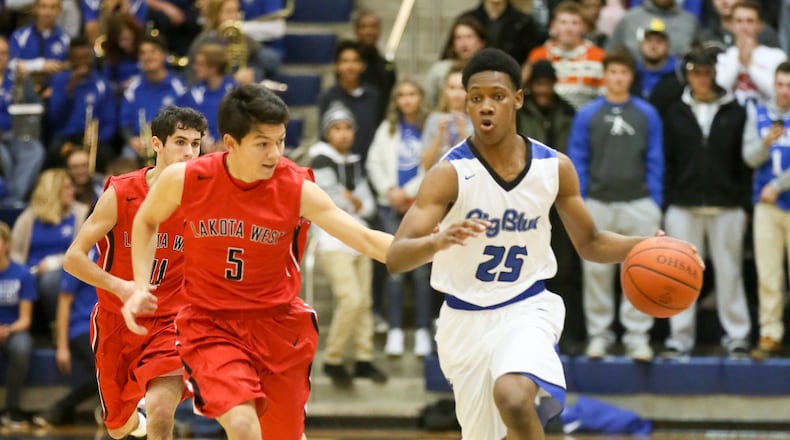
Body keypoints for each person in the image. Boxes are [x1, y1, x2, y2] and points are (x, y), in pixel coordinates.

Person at [385, 47, 699, 440]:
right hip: (463, 319)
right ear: (466, 102)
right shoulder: (448, 174)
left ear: (518, 98)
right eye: (476, 97)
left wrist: (649, 246)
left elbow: (592, 242)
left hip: (526, 305)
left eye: (497, 97)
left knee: (514, 396)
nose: (486, 107)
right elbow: (396, 258)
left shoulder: (554, 168)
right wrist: (438, 242)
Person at [123, 84, 392, 440]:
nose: (275, 153)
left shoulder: (296, 187)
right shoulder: (187, 179)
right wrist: (140, 285)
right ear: (231, 143)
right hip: (211, 325)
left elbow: (364, 238)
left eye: (280, 141)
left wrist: (431, 247)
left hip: (277, 326)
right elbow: (145, 219)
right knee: (244, 426)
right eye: (262, 143)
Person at [62, 106, 207, 440]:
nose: (189, 152)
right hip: (117, 321)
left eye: (196, 144)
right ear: (156, 144)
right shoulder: (122, 192)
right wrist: (121, 287)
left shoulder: (204, 197)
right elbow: (73, 259)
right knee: (117, 428)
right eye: (180, 142)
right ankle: (131, 422)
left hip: (171, 321)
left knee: (160, 411)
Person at [568, 49, 664, 362]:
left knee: (640, 272)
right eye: (613, 72)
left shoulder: (647, 113)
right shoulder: (588, 114)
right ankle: (599, 336)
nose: (618, 78)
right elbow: (577, 159)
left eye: (624, 72)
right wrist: (580, 200)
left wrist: (654, 201)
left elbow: (656, 158)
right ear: (605, 76)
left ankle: (637, 338)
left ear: (630, 77)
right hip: (598, 202)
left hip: (638, 203)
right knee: (596, 273)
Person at [662, 48, 752, 358]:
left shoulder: (736, 111)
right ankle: (680, 337)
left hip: (726, 206)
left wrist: (743, 205)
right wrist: (669, 201)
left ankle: (737, 334)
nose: (701, 78)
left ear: (714, 73)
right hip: (683, 206)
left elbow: (743, 166)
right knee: (679, 274)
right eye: (695, 72)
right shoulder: (675, 112)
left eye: (706, 72)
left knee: (730, 272)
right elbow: (668, 162)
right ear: (688, 74)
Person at [309, 102, 387, 387]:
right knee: (351, 299)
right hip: (332, 240)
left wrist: (352, 201)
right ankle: (333, 359)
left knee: (365, 303)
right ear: (327, 132)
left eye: (347, 128)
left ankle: (364, 359)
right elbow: (332, 202)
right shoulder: (319, 159)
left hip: (360, 238)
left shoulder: (354, 161)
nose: (343, 134)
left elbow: (368, 206)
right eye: (337, 128)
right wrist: (352, 201)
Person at [743, 61, 790, 359]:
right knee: (768, 275)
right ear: (773, 86)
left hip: (778, 196)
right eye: (781, 85)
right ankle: (770, 333)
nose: (785, 91)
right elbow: (748, 159)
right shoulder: (759, 115)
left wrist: (780, 185)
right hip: (766, 207)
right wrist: (764, 144)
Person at [32, 247, 100, 428]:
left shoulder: (126, 250)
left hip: (110, 328)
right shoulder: (83, 255)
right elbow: (64, 300)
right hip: (82, 327)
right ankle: (60, 409)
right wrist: (62, 346)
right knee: (106, 368)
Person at [0, 221, 36, 430]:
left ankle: (11, 410)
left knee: (22, 347)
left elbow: (26, 319)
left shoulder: (22, 274)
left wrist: (7, 330)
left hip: (14, 329)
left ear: (6, 244)